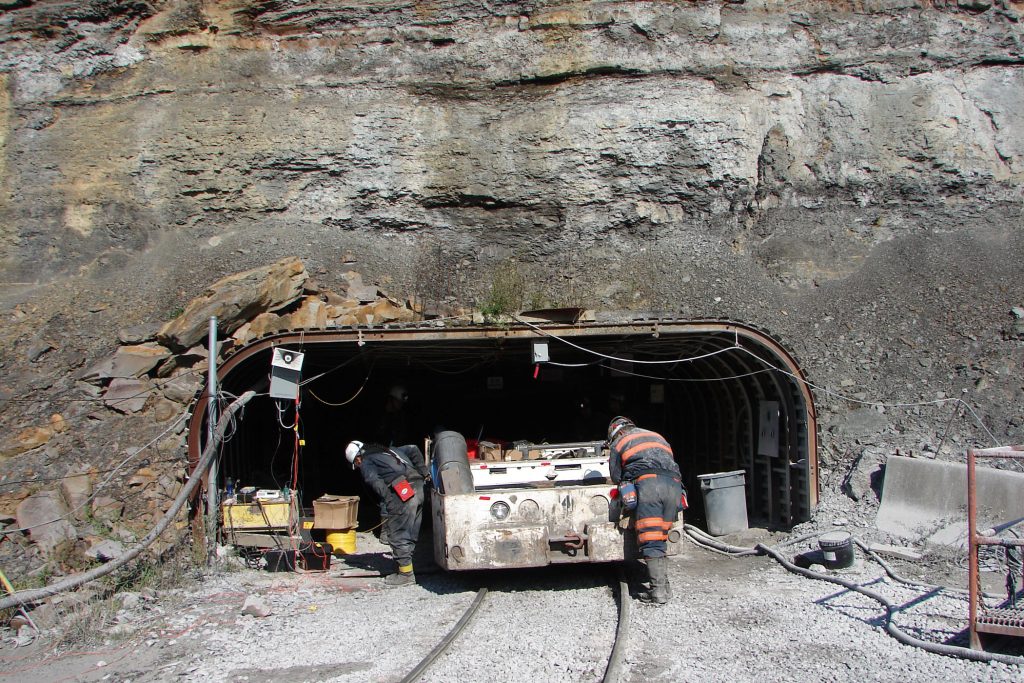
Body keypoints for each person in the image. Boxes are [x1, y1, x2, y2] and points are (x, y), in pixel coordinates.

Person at [607, 416, 683, 605]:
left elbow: (616, 476)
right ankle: (664, 588)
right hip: (674, 486)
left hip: (649, 487)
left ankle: (658, 594)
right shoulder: (658, 436)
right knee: (661, 536)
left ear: (616, 432)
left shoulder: (619, 442)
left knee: (651, 541)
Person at [345, 440, 429, 586]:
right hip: (419, 488)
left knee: (398, 534)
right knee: (411, 532)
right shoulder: (391, 450)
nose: (359, 466)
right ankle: (406, 566)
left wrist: (389, 501)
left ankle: (406, 575)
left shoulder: (366, 461)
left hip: (403, 492)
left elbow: (374, 481)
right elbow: (413, 448)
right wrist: (425, 473)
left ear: (358, 458)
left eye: (357, 463)